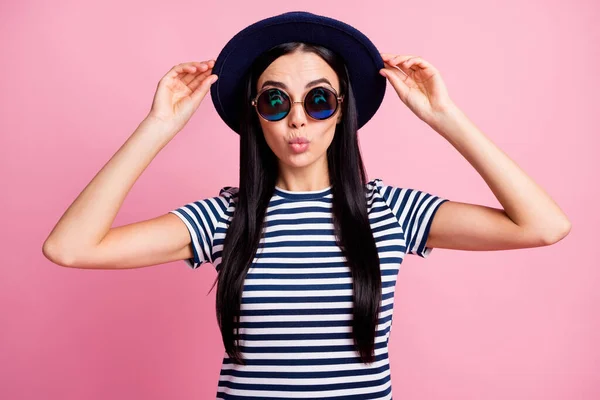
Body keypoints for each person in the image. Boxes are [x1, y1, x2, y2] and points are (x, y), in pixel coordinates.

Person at [42, 11, 571, 400]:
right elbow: (69, 248)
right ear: (257, 116)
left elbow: (544, 226)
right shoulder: (224, 219)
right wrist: (156, 128)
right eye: (276, 100)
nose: (298, 119)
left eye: (319, 100)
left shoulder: (388, 210)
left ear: (341, 113)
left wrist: (445, 116)